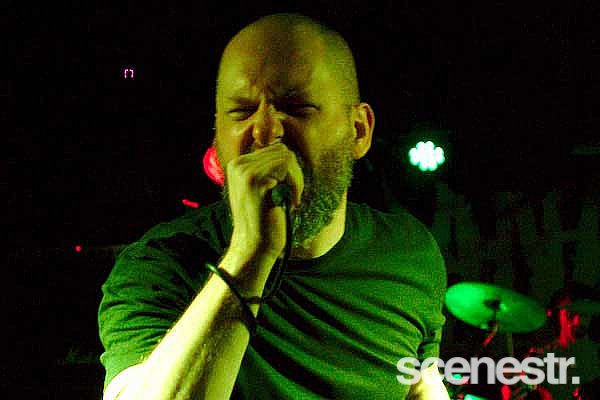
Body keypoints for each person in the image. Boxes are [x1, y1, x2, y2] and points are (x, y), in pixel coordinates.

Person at [98, 13, 449, 399]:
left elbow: (421, 382)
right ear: (217, 137)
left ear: (359, 131)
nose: (265, 131)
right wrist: (249, 255)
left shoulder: (409, 253)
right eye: (242, 111)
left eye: (296, 108)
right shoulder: (162, 263)